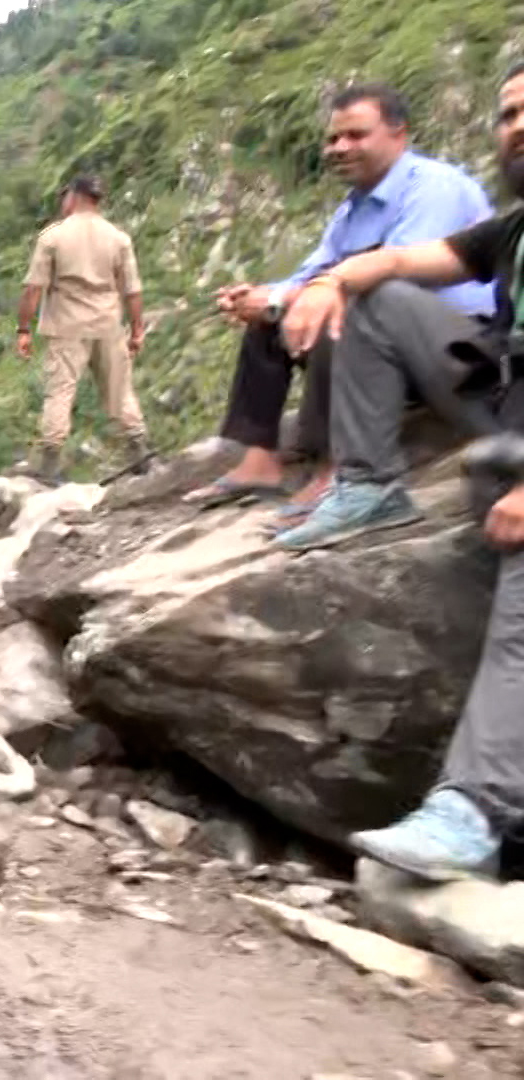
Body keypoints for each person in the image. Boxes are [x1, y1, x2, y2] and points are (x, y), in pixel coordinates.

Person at [271, 63, 524, 880]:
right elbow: (417, 262)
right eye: (508, 112)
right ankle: (370, 484)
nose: (515, 126)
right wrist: (337, 277)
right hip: (501, 402)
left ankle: (480, 809)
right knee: (375, 294)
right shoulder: (512, 230)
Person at [185, 83, 495, 520]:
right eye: (333, 138)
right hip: (388, 347)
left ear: (398, 134)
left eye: (356, 135)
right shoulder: (353, 208)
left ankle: (336, 470)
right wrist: (259, 298)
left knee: (345, 308)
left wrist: (286, 297)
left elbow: (394, 272)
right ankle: (260, 462)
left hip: (456, 347)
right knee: (274, 318)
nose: (339, 147)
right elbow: (311, 275)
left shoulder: (434, 187)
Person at [15, 174, 149, 482]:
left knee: (60, 392)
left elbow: (33, 289)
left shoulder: (53, 237)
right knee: (119, 390)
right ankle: (140, 449)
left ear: (74, 197)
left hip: (67, 327)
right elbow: (133, 290)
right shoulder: (118, 238)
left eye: (65, 196)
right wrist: (137, 329)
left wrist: (23, 329)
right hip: (108, 325)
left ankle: (49, 463)